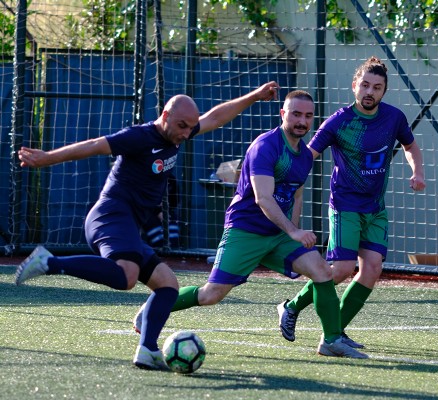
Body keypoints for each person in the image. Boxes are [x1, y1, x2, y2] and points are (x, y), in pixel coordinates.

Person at [14, 81, 281, 370]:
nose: (185, 133)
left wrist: (254, 95)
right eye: (181, 125)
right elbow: (94, 146)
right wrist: (47, 158)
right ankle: (49, 262)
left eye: (190, 128)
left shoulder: (179, 134)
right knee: (126, 277)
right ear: (165, 116)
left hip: (127, 224)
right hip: (111, 215)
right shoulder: (139, 136)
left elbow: (215, 117)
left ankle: (147, 349)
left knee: (167, 284)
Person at [133, 90, 368, 359]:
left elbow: (297, 193)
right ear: (283, 114)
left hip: (277, 234)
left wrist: (292, 230)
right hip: (245, 230)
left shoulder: (304, 155)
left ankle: (331, 340)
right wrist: (293, 230)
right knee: (211, 295)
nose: (302, 121)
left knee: (322, 272)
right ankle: (153, 308)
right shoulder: (266, 146)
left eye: (307, 115)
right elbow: (263, 198)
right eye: (296, 114)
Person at [277, 57, 426, 348]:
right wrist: (282, 179)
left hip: (376, 209)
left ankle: (334, 335)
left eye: (377, 87)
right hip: (345, 205)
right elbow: (308, 155)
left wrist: (417, 171)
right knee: (341, 270)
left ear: (384, 91)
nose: (370, 91)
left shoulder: (394, 118)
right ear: (354, 86)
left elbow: (411, 147)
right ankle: (292, 306)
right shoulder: (339, 121)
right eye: (365, 85)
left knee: (372, 269)